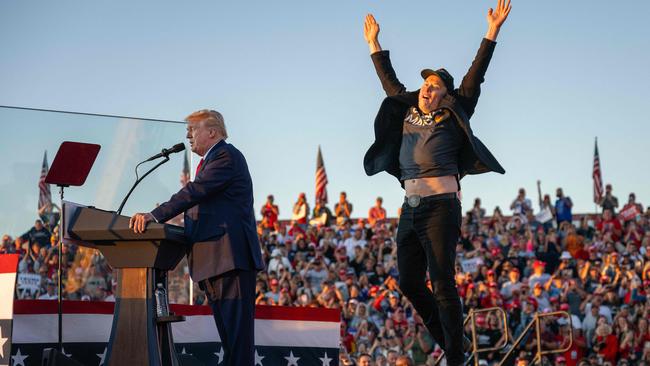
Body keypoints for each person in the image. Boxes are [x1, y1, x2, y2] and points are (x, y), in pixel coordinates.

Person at [362, 1, 511, 365]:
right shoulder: (408, 108)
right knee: (409, 283)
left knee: (442, 283)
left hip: (441, 207)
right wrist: (373, 45)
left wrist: (492, 31)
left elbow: (476, 75)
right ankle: (450, 343)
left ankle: (456, 358)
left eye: (436, 86)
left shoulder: (454, 110)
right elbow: (389, 82)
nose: (428, 89)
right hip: (410, 209)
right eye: (426, 84)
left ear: (446, 93)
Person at [130, 109, 264, 366]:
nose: (188, 136)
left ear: (212, 132)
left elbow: (194, 192)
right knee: (231, 344)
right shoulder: (213, 160)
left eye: (193, 130)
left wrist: (155, 215)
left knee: (238, 345)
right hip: (216, 262)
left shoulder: (226, 156)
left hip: (230, 261)